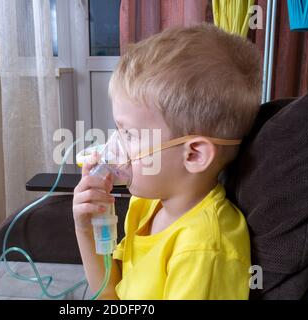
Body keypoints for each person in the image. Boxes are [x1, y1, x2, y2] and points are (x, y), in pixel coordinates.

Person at [72, 23, 262, 300]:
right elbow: (109, 293)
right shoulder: (147, 203)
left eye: (130, 134)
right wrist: (86, 228)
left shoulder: (203, 248)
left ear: (194, 155)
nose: (115, 145)